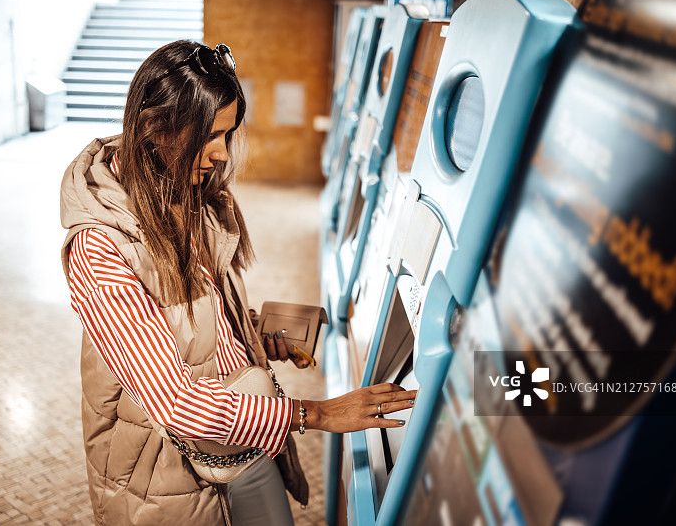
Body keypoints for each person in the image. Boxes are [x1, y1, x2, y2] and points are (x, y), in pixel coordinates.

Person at [60, 39, 416, 526]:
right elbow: (177, 403)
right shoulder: (99, 248)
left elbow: (193, 323)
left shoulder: (191, 195)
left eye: (227, 134)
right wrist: (319, 413)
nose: (221, 154)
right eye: (208, 135)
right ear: (152, 125)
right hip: (162, 478)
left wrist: (259, 334)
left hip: (236, 438)